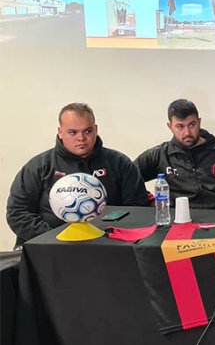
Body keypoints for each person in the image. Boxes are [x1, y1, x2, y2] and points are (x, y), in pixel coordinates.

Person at [6, 103, 147, 247]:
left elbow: (138, 209)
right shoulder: (39, 166)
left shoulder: (120, 163)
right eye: (72, 132)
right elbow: (18, 213)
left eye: (87, 131)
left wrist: (109, 238)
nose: (81, 138)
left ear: (96, 130)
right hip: (51, 247)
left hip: (108, 245)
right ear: (60, 132)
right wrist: (54, 238)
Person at [134, 99, 215, 210]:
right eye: (180, 126)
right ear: (170, 127)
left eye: (192, 125)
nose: (187, 133)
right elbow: (127, 178)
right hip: (179, 220)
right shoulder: (160, 155)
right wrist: (150, 200)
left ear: (199, 122)